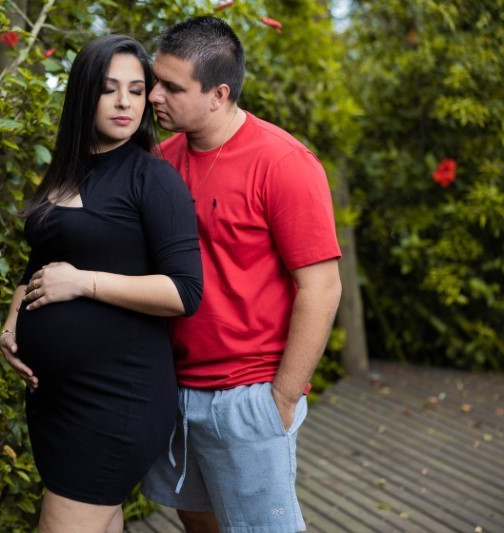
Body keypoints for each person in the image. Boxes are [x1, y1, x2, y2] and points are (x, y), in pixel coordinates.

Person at [140, 16, 343, 533]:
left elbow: (321, 286)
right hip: (174, 389)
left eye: (172, 87)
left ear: (218, 94)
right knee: (196, 520)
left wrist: (282, 399)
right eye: (156, 81)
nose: (154, 96)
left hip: (247, 395)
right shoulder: (160, 160)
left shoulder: (283, 162)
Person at [0, 34, 203, 533]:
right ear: (83, 93)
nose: (124, 102)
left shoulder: (152, 179)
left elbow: (185, 292)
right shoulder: (66, 171)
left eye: (136, 90)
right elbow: (40, 262)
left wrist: (84, 284)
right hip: (55, 399)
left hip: (115, 398)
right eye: (109, 89)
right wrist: (11, 327)